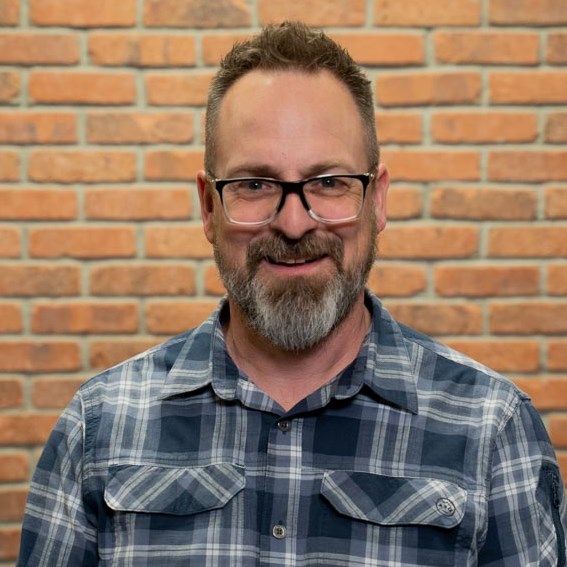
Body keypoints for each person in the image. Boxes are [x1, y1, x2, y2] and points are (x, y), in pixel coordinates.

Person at [18, 21, 566, 566]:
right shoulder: (99, 427)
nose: (295, 223)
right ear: (208, 207)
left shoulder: (492, 430)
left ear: (377, 201)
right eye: (255, 184)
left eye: (329, 182)